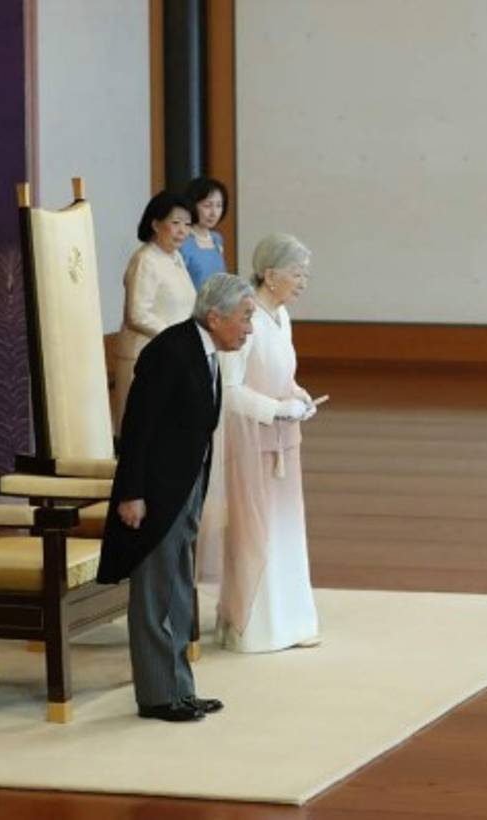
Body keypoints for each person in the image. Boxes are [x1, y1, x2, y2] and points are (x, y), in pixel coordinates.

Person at [97, 274, 255, 721]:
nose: (249, 328)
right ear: (216, 316)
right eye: (244, 318)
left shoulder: (204, 352)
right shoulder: (169, 352)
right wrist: (131, 494)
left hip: (184, 490)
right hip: (155, 496)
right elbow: (138, 428)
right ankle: (157, 696)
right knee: (155, 596)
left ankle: (181, 688)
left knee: (178, 593)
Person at [196, 232, 320, 653]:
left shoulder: (282, 318)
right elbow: (229, 390)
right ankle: (252, 627)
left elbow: (283, 372)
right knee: (255, 532)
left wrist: (299, 395)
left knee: (286, 528)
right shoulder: (244, 319)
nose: (303, 281)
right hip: (250, 440)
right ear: (270, 275)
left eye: (305, 273)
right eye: (296, 273)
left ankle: (292, 622)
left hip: (284, 440)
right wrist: (276, 410)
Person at [110, 192, 197, 433]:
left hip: (171, 354)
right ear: (156, 224)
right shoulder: (145, 259)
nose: (182, 231)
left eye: (188, 224)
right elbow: (137, 314)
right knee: (139, 428)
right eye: (175, 223)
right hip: (143, 354)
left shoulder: (175, 257)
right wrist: (177, 337)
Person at [180, 177, 230, 290]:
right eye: (207, 205)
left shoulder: (217, 239)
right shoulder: (182, 240)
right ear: (193, 205)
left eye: (219, 205)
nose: (214, 213)